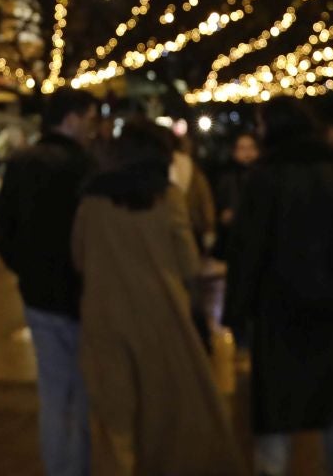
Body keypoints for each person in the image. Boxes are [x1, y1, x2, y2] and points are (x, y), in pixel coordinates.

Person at [73, 124, 245, 476]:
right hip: (159, 318)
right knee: (162, 412)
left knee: (114, 419)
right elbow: (188, 263)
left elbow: (78, 257)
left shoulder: (91, 201)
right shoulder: (167, 198)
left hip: (103, 319)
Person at [226, 97, 333, 476]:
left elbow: (248, 249)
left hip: (279, 311)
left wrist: (238, 310)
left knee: (276, 418)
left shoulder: (264, 176)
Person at [0, 89, 97, 476]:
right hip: (80, 295)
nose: (92, 127)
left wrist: (27, 269)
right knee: (84, 393)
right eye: (88, 118)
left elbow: (3, 231)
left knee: (54, 396)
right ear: (70, 119)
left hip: (39, 295)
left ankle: (58, 468)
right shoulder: (85, 166)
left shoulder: (22, 164)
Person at [209, 131, 259, 260]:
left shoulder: (264, 177)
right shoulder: (226, 177)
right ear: (234, 152)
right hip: (232, 237)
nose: (247, 153)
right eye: (242, 148)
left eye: (250, 148)